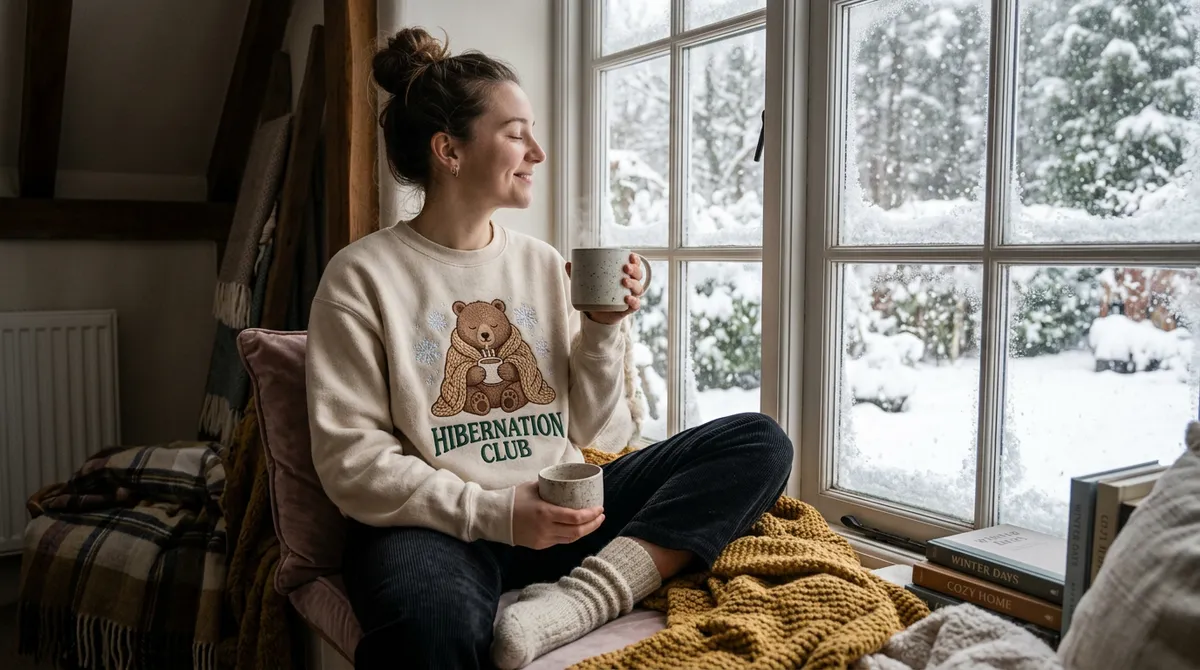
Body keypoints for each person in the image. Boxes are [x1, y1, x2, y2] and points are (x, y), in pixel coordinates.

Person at [305, 26, 793, 670]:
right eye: (515, 133)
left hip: (564, 509)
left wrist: (601, 326)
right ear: (449, 150)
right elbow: (352, 464)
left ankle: (581, 600)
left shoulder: (538, 263)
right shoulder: (361, 276)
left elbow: (601, 430)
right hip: (441, 527)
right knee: (424, 632)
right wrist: (495, 512)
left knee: (758, 443)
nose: (537, 151)